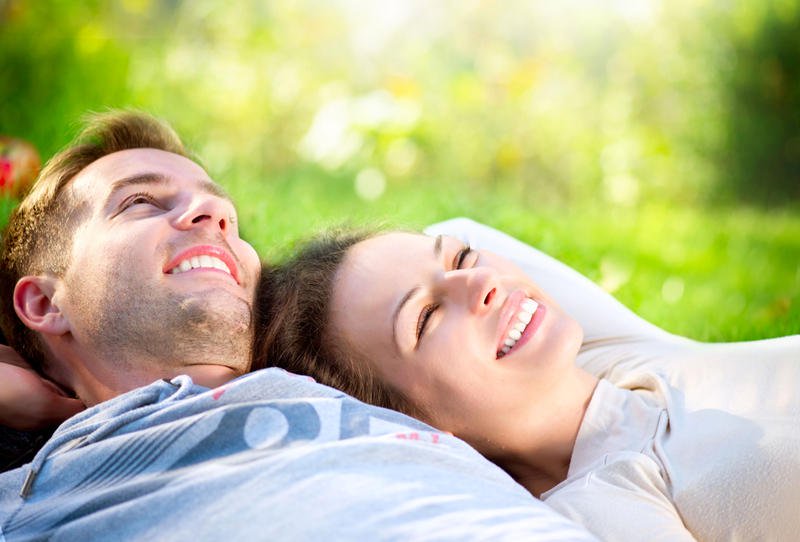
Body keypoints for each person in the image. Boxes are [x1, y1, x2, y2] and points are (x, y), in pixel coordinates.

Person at [0, 111, 597, 541]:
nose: (216, 213)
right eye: (140, 203)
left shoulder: (363, 375)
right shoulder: (51, 485)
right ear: (46, 303)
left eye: (223, 209)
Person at [254, 221, 800, 541]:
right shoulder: (604, 505)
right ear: (410, 423)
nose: (481, 283)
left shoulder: (620, 357)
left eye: (462, 260)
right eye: (427, 317)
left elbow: (460, 225)